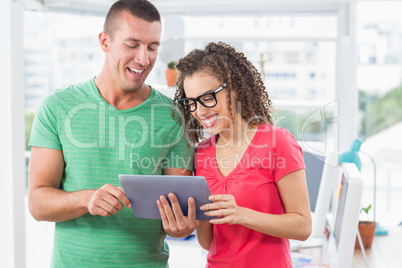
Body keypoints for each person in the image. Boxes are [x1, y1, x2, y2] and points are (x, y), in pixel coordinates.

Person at [28, 0, 196, 267]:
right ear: (105, 42)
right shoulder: (58, 107)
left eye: (152, 47)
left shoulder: (175, 117)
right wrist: (87, 199)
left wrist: (181, 227)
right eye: (132, 45)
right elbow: (37, 202)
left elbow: (181, 216)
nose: (144, 59)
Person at [169, 42, 312, 267]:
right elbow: (209, 243)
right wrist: (198, 219)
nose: (200, 111)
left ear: (234, 88)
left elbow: (303, 227)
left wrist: (241, 214)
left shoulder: (277, 142)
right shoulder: (201, 153)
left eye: (207, 98)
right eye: (191, 103)